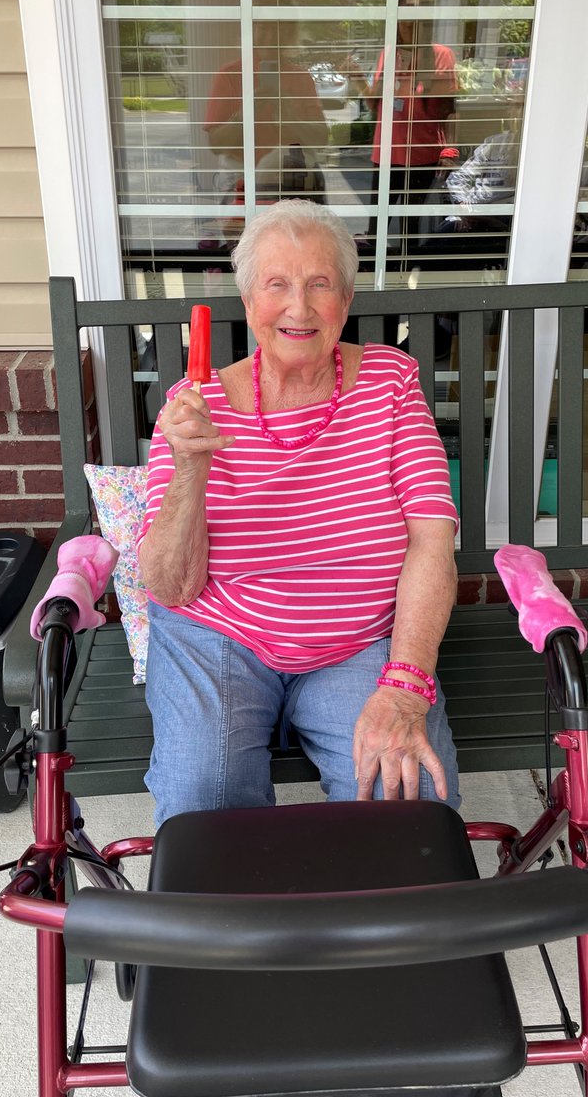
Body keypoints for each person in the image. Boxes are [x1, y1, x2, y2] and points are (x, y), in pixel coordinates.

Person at [137, 200, 460, 826]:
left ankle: (368, 921)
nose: (299, 308)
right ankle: (245, 922)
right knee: (204, 803)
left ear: (347, 296)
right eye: (277, 285)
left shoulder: (391, 384)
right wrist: (191, 466)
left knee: (408, 800)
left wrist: (404, 684)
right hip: (220, 633)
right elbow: (170, 585)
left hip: (358, 639)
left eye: (320, 285)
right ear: (248, 299)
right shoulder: (193, 405)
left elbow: (431, 540)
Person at [354, 0, 459, 263]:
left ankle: (403, 279)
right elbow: (374, 104)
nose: (410, 25)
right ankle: (375, 279)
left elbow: (449, 111)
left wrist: (450, 152)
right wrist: (356, 79)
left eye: (418, 18)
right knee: (377, 222)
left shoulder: (441, 55)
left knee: (410, 227)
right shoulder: (388, 53)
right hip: (387, 154)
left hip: (422, 155)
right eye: (405, 18)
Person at [203, 19, 328, 235]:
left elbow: (321, 138)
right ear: (251, 31)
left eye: (279, 27)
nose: (270, 35)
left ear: (290, 33)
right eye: (263, 27)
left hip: (292, 185)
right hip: (243, 184)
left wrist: (289, 115)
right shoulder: (230, 75)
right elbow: (217, 144)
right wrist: (244, 114)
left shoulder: (300, 77)